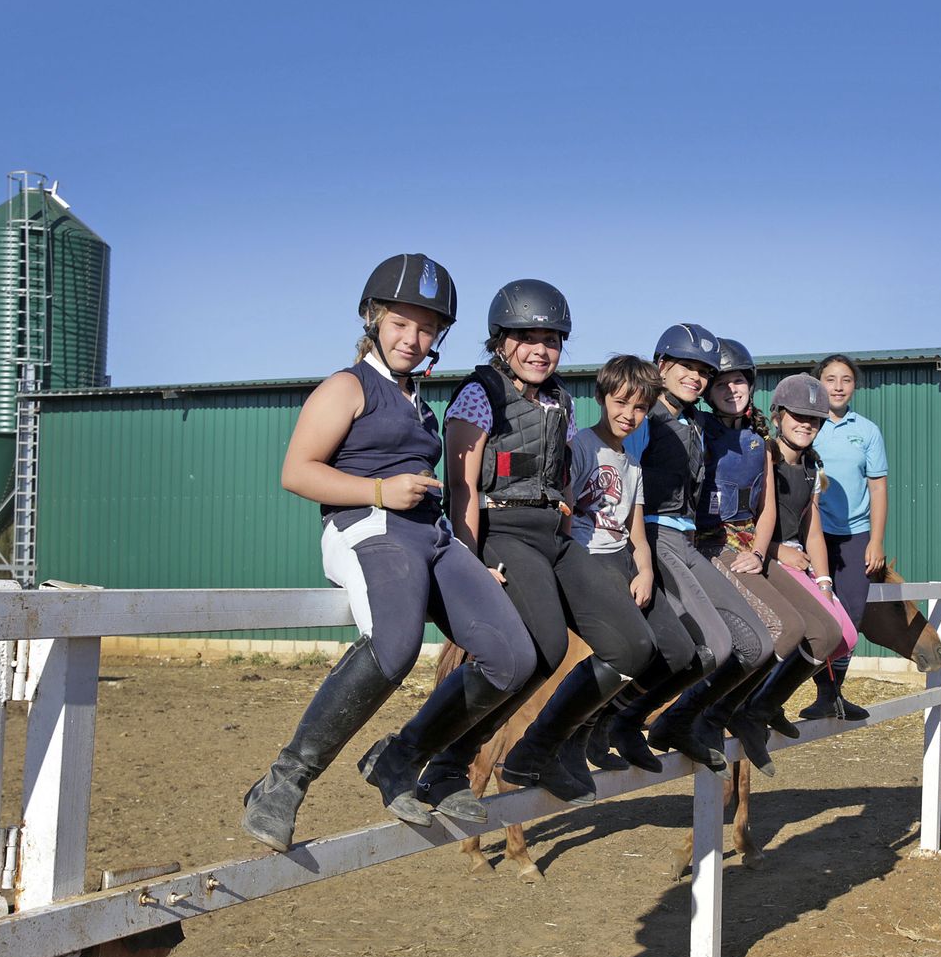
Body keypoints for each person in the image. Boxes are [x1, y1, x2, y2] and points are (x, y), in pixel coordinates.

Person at [242, 253, 536, 850]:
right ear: (374, 319)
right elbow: (297, 473)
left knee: (513, 658)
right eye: (401, 323)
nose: (413, 338)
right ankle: (284, 781)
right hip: (367, 525)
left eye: (427, 329)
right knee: (396, 646)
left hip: (430, 535)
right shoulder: (347, 386)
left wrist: (469, 556)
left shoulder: (419, 402)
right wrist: (380, 490)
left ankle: (403, 758)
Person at [414, 280, 657, 807]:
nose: (540, 350)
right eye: (527, 337)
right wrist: (468, 564)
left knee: (635, 647)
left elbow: (562, 478)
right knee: (543, 650)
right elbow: (465, 490)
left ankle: (539, 748)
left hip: (554, 535)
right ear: (501, 340)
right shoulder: (479, 397)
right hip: (503, 531)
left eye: (551, 339)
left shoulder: (562, 403)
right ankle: (446, 758)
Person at [608, 324, 776, 771]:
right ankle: (616, 718)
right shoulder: (647, 419)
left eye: (704, 371)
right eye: (687, 367)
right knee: (716, 645)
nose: (696, 378)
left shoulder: (693, 421)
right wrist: (633, 553)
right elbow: (623, 482)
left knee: (755, 645)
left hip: (688, 539)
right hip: (656, 535)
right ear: (661, 365)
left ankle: (676, 721)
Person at [689, 357, 856, 775]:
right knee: (788, 628)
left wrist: (822, 578)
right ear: (779, 414)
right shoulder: (759, 449)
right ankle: (721, 710)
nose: (806, 424)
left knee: (833, 633)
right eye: (798, 416)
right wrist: (771, 551)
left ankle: (758, 706)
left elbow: (807, 523)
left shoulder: (806, 463)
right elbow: (758, 511)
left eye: (815, 420)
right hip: (735, 545)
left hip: (763, 547)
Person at [564, 355, 699, 779]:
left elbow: (636, 533)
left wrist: (645, 571)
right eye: (621, 403)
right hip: (588, 559)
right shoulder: (581, 448)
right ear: (602, 398)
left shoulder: (633, 464)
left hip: (622, 560)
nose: (630, 415)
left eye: (640, 408)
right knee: (635, 646)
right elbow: (565, 519)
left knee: (681, 652)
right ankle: (575, 731)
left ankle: (609, 720)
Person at [804, 354, 889, 720]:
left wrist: (877, 540)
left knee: (850, 617)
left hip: (855, 535)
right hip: (811, 533)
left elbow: (878, 487)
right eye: (830, 379)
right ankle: (810, 691)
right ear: (818, 383)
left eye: (846, 380)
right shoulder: (806, 425)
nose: (838, 386)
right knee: (816, 613)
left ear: (855, 385)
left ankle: (832, 693)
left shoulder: (866, 430)